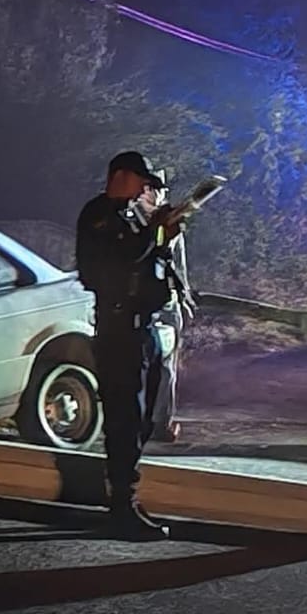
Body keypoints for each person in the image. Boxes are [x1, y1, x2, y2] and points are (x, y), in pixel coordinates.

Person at [75, 151, 179, 539]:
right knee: (125, 420)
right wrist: (154, 232)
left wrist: (165, 236)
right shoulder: (99, 215)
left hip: (143, 327)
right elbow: (119, 261)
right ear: (121, 176)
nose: (145, 188)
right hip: (118, 330)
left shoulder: (133, 216)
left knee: (144, 419)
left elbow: (149, 259)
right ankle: (122, 506)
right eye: (142, 180)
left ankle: (126, 500)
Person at [137, 179, 193, 444]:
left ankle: (160, 422)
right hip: (139, 303)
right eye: (152, 189)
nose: (155, 194)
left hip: (167, 302)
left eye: (159, 190)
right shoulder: (129, 219)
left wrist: (185, 295)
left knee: (166, 366)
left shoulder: (170, 222)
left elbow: (178, 264)